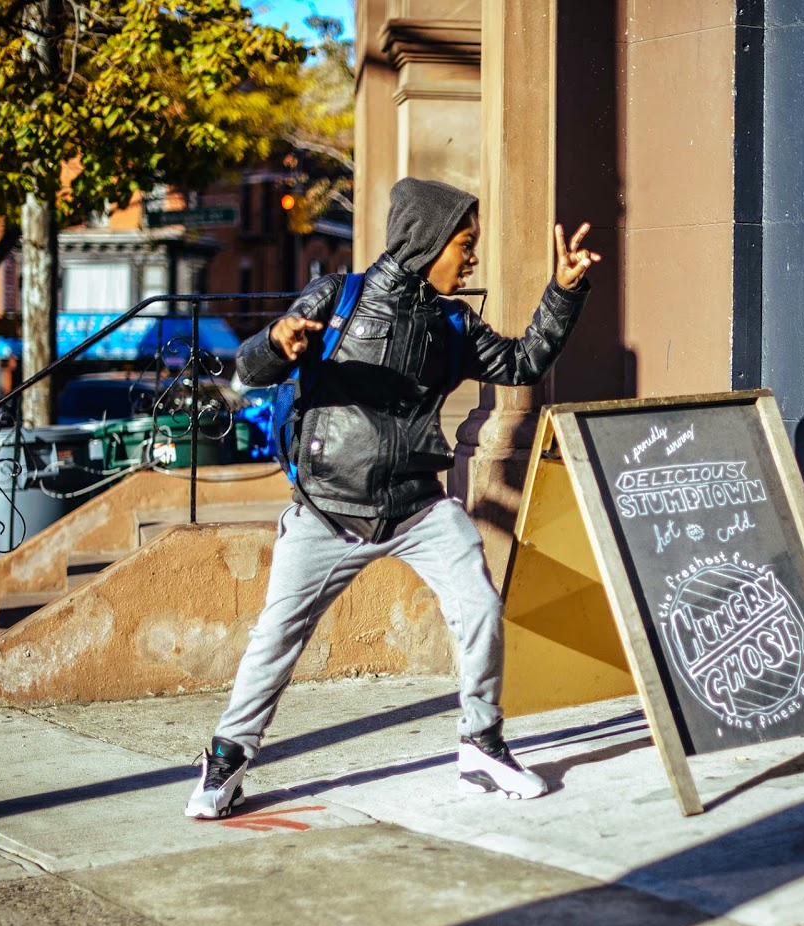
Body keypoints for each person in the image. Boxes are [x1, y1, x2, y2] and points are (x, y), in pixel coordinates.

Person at [186, 177, 598, 819]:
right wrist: (275, 344)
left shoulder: (453, 322)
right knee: (276, 635)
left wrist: (564, 292)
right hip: (327, 508)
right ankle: (227, 759)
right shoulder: (338, 298)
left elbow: (522, 363)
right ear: (425, 241)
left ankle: (481, 747)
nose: (472, 258)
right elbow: (248, 368)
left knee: (481, 607)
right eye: (464, 244)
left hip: (417, 506)